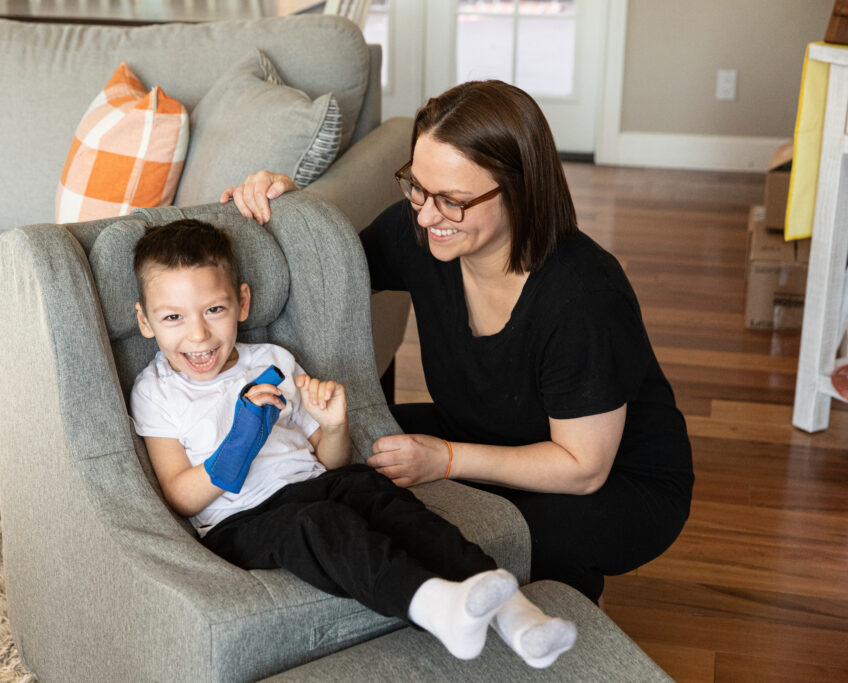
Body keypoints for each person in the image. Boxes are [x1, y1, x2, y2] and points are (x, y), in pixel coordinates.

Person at [220, 80, 694, 604]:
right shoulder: (424, 230)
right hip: (483, 429)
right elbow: (329, 272)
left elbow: (583, 468)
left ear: (520, 189)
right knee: (351, 452)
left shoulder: (584, 295)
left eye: (452, 200)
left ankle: (566, 625)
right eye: (417, 187)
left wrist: (446, 459)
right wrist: (290, 208)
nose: (425, 215)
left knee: (492, 543)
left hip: (616, 481)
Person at [128, 218, 577, 666]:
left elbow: (330, 459)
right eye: (173, 317)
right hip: (241, 521)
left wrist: (334, 425)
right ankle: (435, 607)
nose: (198, 334)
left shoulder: (272, 361)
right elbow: (180, 497)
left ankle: (516, 615)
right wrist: (240, 442)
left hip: (313, 483)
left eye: (214, 310)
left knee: (378, 493)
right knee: (317, 523)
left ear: (242, 303)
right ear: (145, 321)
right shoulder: (157, 390)